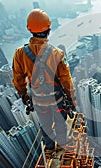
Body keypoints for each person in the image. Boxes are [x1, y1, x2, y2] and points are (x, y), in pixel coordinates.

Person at [12, 9, 76, 152]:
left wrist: (24, 96)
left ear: (29, 29)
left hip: (39, 100)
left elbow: (18, 79)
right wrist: (71, 100)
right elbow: (66, 80)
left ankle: (49, 148)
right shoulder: (57, 54)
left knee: (45, 125)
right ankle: (62, 143)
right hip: (57, 99)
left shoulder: (19, 54)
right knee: (60, 122)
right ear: (49, 29)